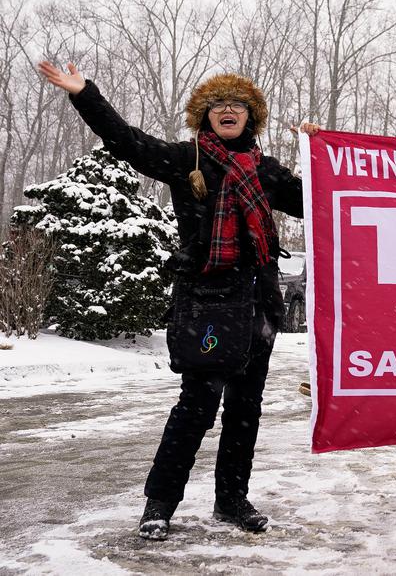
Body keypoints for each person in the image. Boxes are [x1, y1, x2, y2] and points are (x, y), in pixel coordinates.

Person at [38, 60, 319, 540]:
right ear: (204, 116)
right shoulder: (184, 160)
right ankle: (160, 504)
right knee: (196, 407)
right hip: (206, 303)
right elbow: (127, 141)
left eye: (237, 105)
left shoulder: (266, 171)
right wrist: (84, 93)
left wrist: (319, 150)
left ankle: (231, 501)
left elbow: (320, 197)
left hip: (257, 305)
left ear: (250, 117)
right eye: (217, 105)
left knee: (244, 411)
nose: (227, 110)